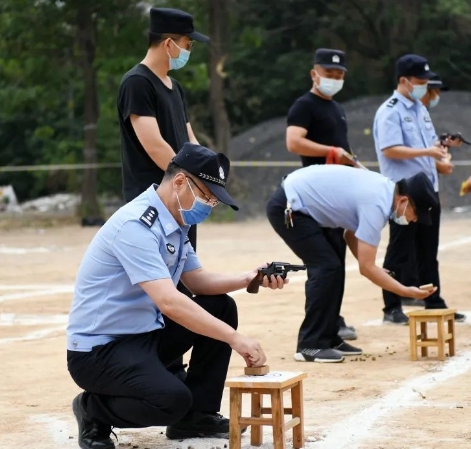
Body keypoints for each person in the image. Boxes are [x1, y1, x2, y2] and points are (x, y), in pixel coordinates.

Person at [67, 144, 287, 449]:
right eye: (206, 196)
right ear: (180, 182)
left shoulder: (175, 223)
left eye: (214, 200)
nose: (209, 206)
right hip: (101, 351)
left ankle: (196, 417)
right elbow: (169, 301)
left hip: (145, 337)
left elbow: (197, 280)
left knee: (221, 306)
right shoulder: (136, 225)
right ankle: (93, 411)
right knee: (171, 400)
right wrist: (234, 338)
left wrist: (249, 277)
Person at [266, 164, 438, 363]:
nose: (414, 220)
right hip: (289, 207)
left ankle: (329, 337)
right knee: (327, 267)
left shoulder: (384, 191)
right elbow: (366, 268)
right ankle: (310, 345)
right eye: (415, 214)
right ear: (404, 201)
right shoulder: (377, 205)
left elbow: (351, 235)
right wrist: (404, 291)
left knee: (335, 264)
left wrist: (373, 268)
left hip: (304, 205)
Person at [116, 6, 207, 376]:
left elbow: (188, 139)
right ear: (168, 43)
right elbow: (154, 145)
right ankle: (151, 371)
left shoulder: (175, 86)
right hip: (154, 204)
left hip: (182, 202)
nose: (189, 51)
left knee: (183, 285)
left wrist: (207, 175)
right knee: (154, 292)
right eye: (186, 44)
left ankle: (175, 372)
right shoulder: (137, 83)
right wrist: (190, 181)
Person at [372, 54, 464, 325]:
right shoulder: (390, 110)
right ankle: (392, 307)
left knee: (428, 249)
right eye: (420, 81)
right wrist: (428, 151)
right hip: (403, 194)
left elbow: (430, 143)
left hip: (426, 190)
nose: (424, 85)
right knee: (399, 250)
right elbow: (390, 149)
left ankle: (432, 300)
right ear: (404, 81)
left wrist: (440, 157)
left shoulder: (419, 109)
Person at [285, 48, 357, 342]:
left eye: (339, 75)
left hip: (338, 195)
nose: (335, 79)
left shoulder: (336, 108)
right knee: (325, 265)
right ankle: (321, 328)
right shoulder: (304, 105)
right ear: (315, 74)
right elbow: (294, 142)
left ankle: (332, 321)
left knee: (336, 263)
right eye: (329, 74)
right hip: (316, 197)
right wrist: (330, 152)